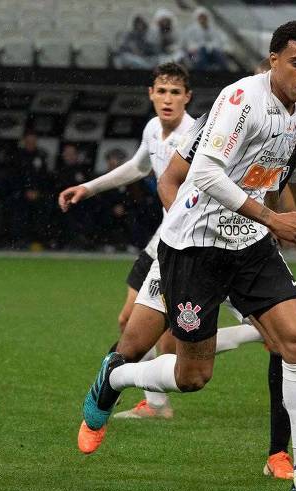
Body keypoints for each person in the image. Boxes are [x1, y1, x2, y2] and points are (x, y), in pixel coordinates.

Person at [79, 21, 296, 478]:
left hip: (249, 244)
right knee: (190, 376)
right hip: (194, 246)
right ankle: (115, 377)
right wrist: (273, 219)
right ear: (273, 60)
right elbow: (203, 175)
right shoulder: (240, 102)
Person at [59, 62, 194, 334]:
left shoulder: (194, 137)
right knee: (128, 321)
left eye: (176, 92)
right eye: (162, 90)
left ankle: (256, 331)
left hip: (189, 242)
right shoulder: (153, 127)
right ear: (151, 93)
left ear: (187, 97)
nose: (168, 99)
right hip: (163, 238)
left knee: (175, 334)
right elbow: (139, 166)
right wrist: (89, 188)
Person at [182, 7, 229, 71]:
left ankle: (223, 71)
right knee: (200, 54)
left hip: (212, 50)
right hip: (198, 51)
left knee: (219, 54)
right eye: (200, 17)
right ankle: (204, 71)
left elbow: (219, 40)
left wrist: (211, 46)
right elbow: (189, 42)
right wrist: (195, 47)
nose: (202, 19)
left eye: (204, 17)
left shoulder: (214, 29)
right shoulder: (191, 30)